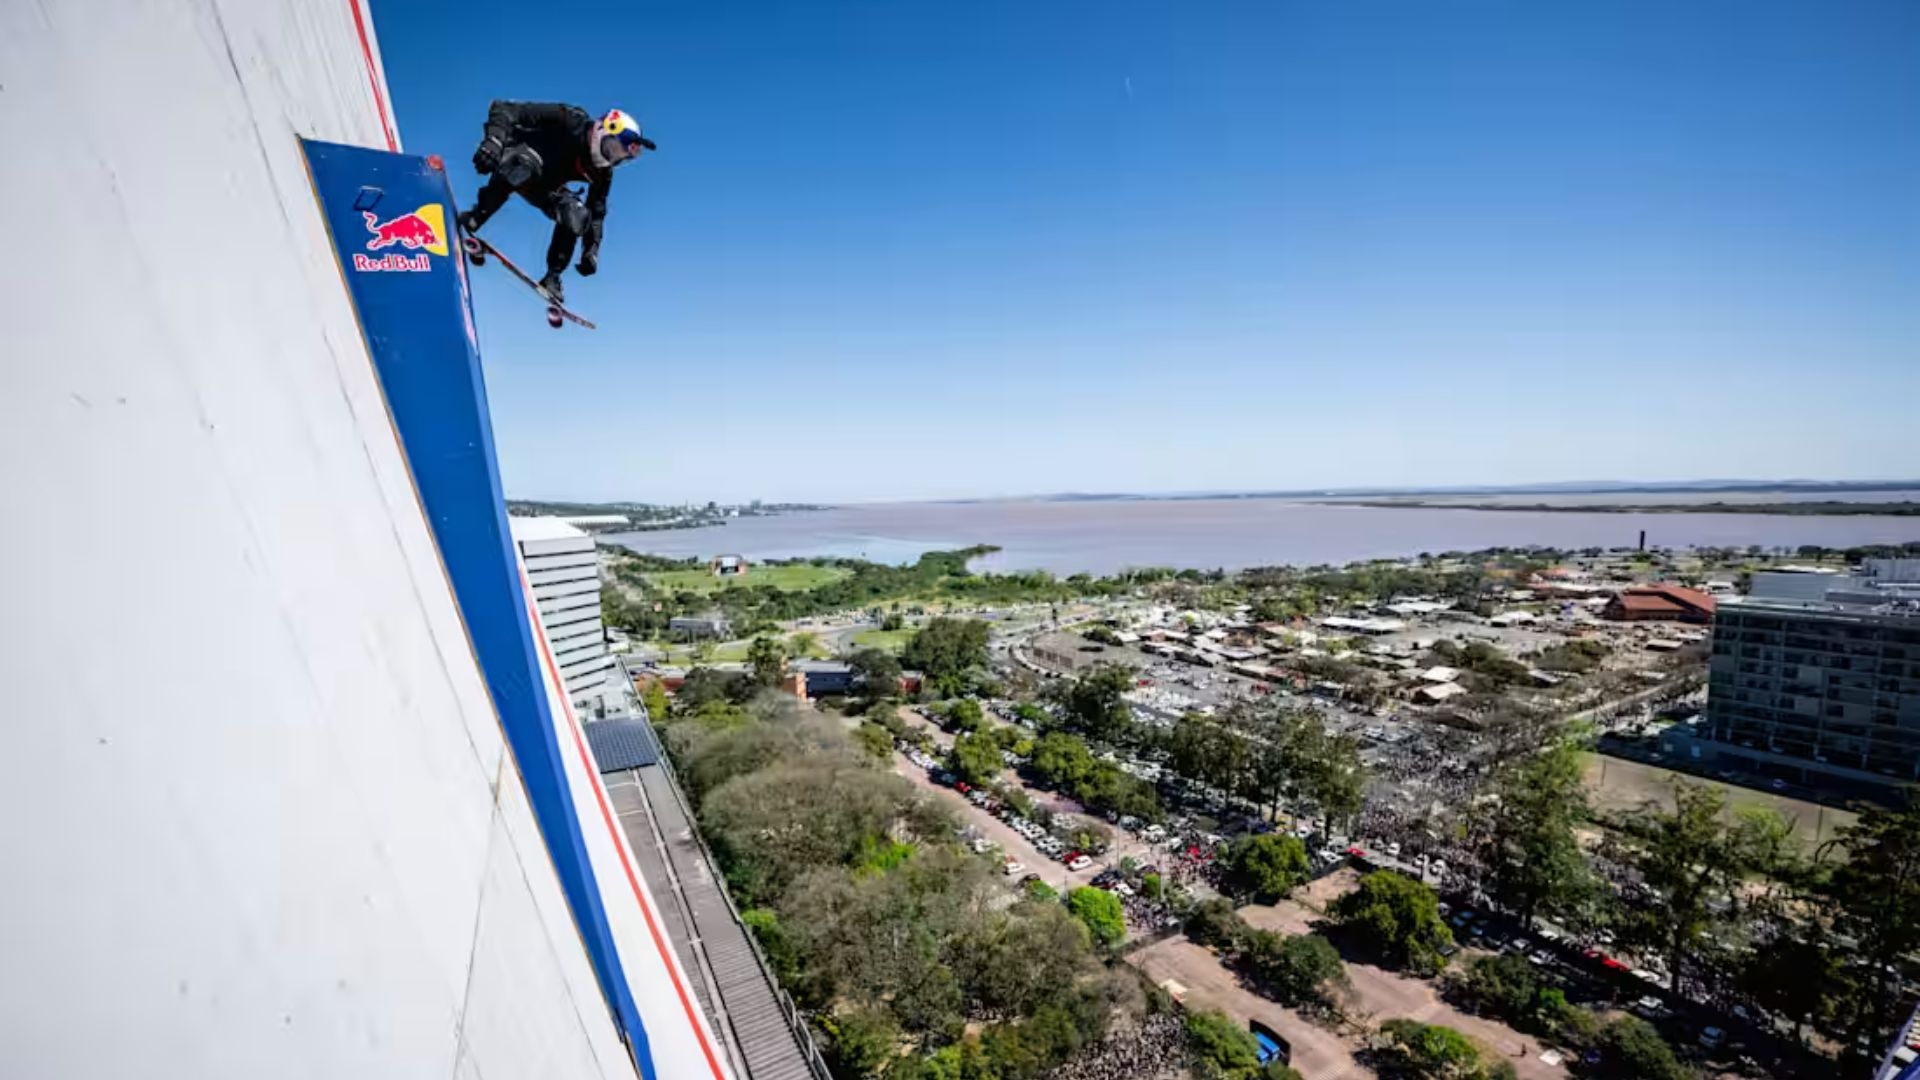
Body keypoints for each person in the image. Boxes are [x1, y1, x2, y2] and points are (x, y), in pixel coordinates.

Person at [459, 101, 654, 302]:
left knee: (578, 214)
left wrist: (590, 252)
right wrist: (494, 141)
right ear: (602, 131)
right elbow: (504, 109)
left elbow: (596, 212)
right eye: (612, 149)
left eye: (620, 157)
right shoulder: (570, 120)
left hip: (544, 187)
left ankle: (552, 277)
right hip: (517, 158)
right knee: (523, 169)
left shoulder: (603, 172)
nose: (611, 159)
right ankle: (477, 216)